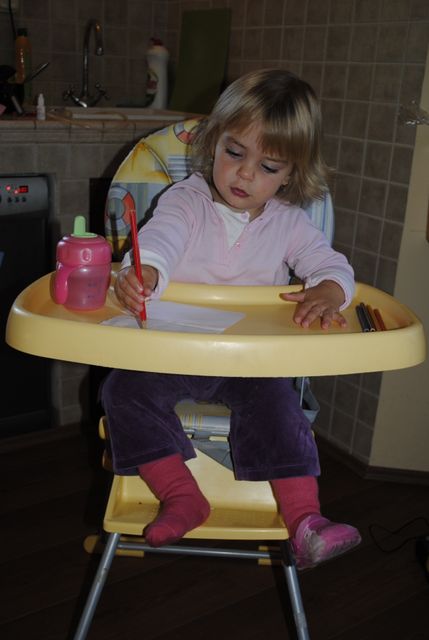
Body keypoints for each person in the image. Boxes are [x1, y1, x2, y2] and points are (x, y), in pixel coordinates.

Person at [101, 69, 361, 569]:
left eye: (268, 166)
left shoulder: (289, 223)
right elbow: (161, 240)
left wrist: (329, 290)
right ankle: (181, 495)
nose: (244, 175)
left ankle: (306, 521)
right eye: (235, 153)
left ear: (290, 174)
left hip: (249, 362)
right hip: (172, 351)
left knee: (281, 408)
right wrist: (145, 271)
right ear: (214, 141)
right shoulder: (186, 200)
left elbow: (330, 264)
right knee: (122, 391)